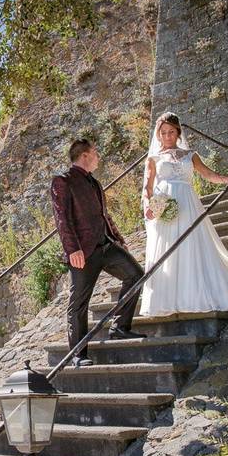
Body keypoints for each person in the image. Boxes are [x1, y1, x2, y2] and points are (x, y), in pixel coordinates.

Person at [140, 112, 228, 316]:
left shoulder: (191, 155)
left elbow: (208, 174)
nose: (167, 136)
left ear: (178, 132)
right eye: (163, 132)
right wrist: (149, 206)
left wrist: (227, 179)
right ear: (158, 134)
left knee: (191, 245)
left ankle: (194, 293)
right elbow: (148, 187)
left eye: (171, 132)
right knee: (168, 250)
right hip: (163, 203)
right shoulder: (153, 159)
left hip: (188, 204)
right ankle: (168, 298)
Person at [51, 139, 146, 368]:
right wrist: (72, 248)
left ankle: (120, 327)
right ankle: (78, 354)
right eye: (95, 153)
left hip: (106, 245)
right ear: (84, 155)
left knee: (136, 275)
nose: (98, 157)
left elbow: (105, 215)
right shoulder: (62, 181)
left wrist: (119, 239)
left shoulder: (95, 183)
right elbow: (62, 218)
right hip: (82, 251)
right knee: (79, 303)